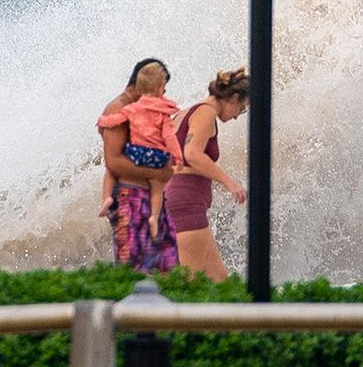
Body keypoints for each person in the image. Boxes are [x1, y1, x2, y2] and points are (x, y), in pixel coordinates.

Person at [163, 67, 251, 281]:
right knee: (191, 284)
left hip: (176, 199)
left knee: (219, 280)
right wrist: (229, 183)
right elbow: (191, 154)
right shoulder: (206, 112)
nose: (238, 116)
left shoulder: (184, 113)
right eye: (242, 109)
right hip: (186, 205)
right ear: (234, 98)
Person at [98, 58, 178, 272]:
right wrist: (159, 173)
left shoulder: (143, 110)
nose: (162, 96)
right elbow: (113, 161)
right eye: (161, 89)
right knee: (132, 269)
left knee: (167, 266)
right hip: (128, 199)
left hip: (149, 198)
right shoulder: (118, 108)